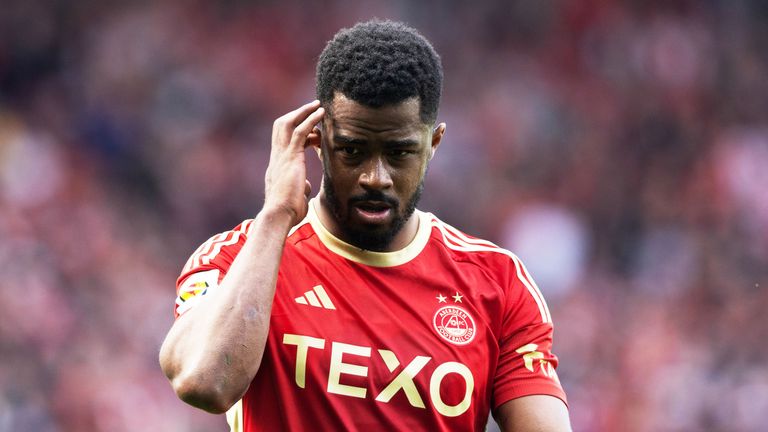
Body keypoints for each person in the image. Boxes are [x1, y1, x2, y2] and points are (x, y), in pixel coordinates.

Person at [159, 19, 571, 431]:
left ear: (434, 144)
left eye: (399, 152)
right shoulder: (241, 257)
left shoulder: (497, 282)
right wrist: (275, 216)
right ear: (317, 142)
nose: (376, 177)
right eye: (352, 150)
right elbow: (204, 382)